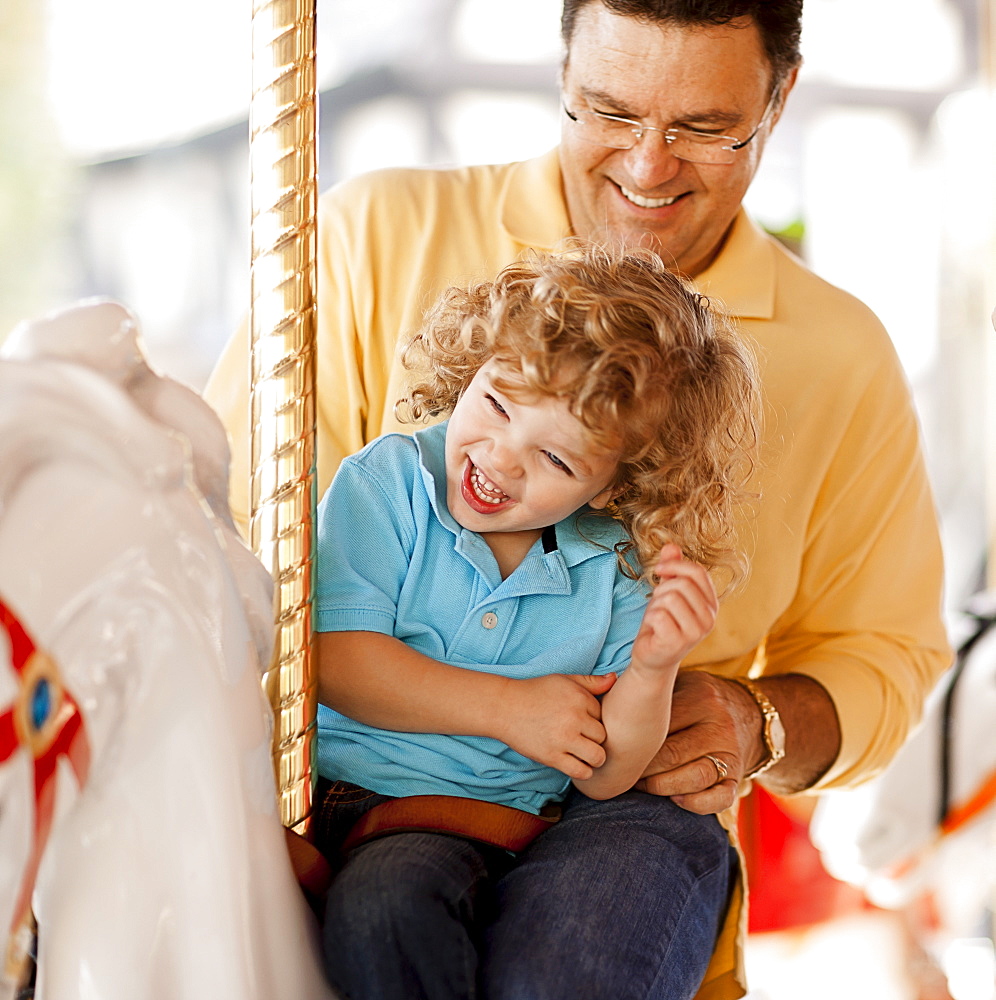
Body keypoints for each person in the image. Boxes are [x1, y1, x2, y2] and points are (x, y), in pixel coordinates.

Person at [205, 2, 952, 997]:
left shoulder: (843, 352)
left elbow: (889, 654)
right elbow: (218, 548)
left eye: (703, 128)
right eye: (608, 111)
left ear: (781, 98)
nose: (648, 169)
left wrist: (753, 719)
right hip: (383, 794)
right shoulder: (369, 238)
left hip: (628, 800)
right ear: (560, 71)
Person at [312, 246, 759, 998]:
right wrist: (508, 708)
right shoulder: (387, 485)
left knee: (431, 923)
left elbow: (612, 769)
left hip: (488, 830)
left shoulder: (615, 568)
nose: (501, 459)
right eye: (496, 404)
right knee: (366, 910)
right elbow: (338, 663)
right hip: (352, 805)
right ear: (475, 363)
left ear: (621, 478)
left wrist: (653, 668)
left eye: (555, 457)